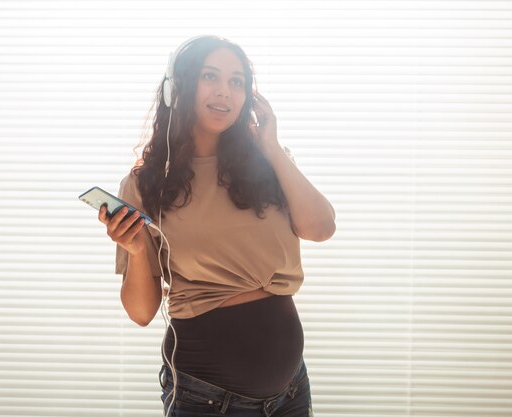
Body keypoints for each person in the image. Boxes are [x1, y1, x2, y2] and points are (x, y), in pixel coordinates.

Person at [98, 35, 335, 417]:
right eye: (211, 76)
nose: (225, 91)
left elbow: (321, 227)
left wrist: (271, 147)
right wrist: (137, 251)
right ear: (178, 87)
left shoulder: (268, 163)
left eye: (237, 81)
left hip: (291, 392)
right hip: (205, 400)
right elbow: (142, 312)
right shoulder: (145, 186)